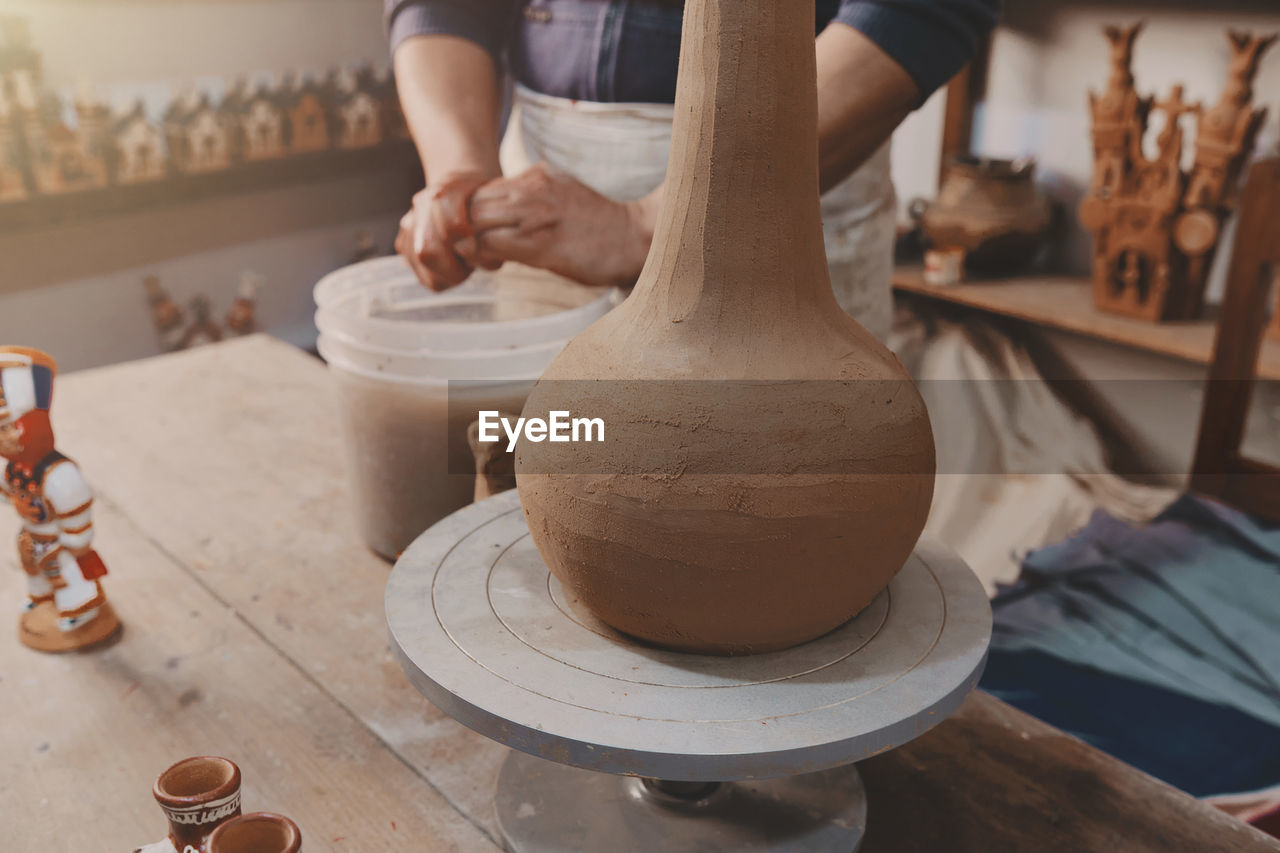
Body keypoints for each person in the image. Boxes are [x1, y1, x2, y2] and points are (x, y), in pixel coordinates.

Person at [385, 0, 998, 340]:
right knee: (557, 452)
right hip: (540, 205)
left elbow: (919, 7)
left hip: (788, 182)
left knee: (768, 505)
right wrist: (460, 171)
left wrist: (651, 228)